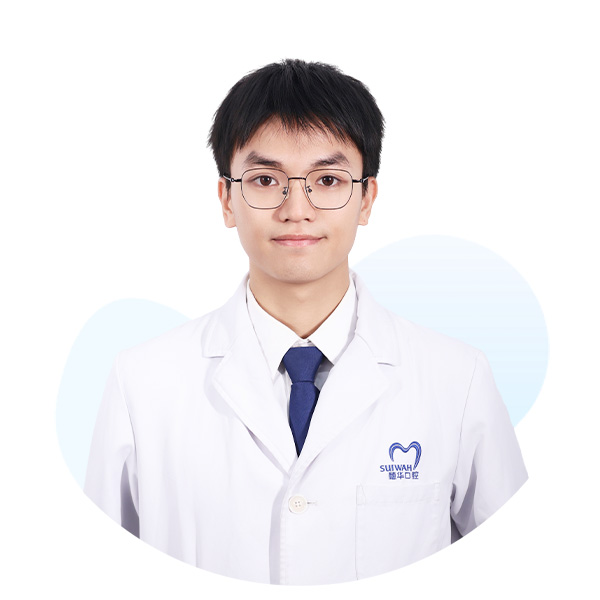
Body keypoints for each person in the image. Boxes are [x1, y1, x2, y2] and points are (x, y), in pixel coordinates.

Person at [84, 59, 528, 585]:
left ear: (366, 199)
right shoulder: (142, 383)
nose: (297, 208)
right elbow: (96, 576)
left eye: (328, 179)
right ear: (227, 199)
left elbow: (515, 570)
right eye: (265, 179)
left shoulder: (456, 379)